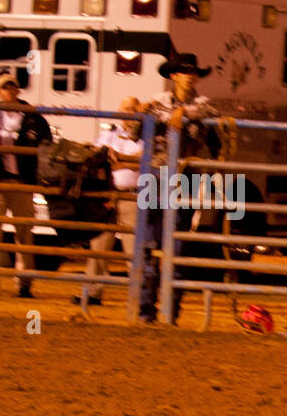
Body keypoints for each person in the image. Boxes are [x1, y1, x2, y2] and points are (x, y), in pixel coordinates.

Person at [138, 52, 220, 322]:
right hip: (158, 177)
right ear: (173, 76)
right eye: (184, 71)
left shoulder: (202, 103)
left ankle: (171, 309)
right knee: (150, 244)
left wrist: (183, 112)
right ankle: (146, 308)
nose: (189, 75)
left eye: (192, 71)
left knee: (179, 246)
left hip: (186, 179)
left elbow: (210, 112)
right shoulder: (158, 102)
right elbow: (140, 121)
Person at [0, 72, 52, 298]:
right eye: (5, 87)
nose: (10, 90)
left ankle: (24, 283)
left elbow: (46, 143)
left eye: (12, 86)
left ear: (18, 90)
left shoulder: (32, 116)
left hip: (22, 181)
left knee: (24, 232)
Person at [79, 97, 145, 305]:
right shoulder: (108, 135)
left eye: (133, 109)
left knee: (133, 248)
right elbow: (98, 160)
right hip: (108, 194)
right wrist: (129, 161)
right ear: (119, 111)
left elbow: (146, 161)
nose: (129, 113)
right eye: (125, 108)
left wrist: (119, 160)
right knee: (99, 244)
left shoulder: (146, 136)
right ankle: (92, 291)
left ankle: (138, 296)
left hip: (132, 196)